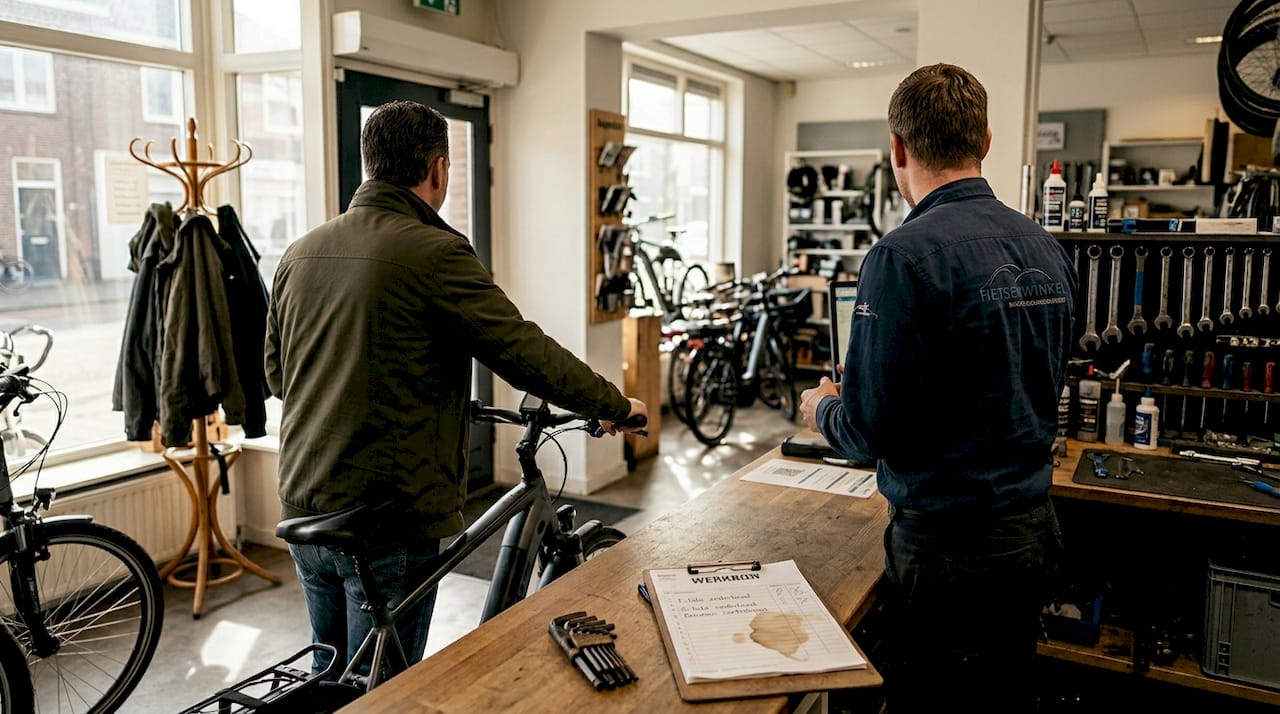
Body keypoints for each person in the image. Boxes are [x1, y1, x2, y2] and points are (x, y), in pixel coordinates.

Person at [265, 100, 647, 677]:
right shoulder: (435, 252)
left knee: (330, 679)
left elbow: (277, 375)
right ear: (439, 170)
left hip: (304, 505)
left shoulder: (300, 252)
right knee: (386, 691)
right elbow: (523, 351)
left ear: (368, 165)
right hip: (386, 519)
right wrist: (615, 405)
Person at [799, 64, 1076, 713]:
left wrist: (824, 408)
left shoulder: (900, 256)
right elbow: (1034, 374)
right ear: (985, 140)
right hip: (1033, 533)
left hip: (949, 552)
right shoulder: (1046, 246)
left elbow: (869, 432)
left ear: (897, 147)